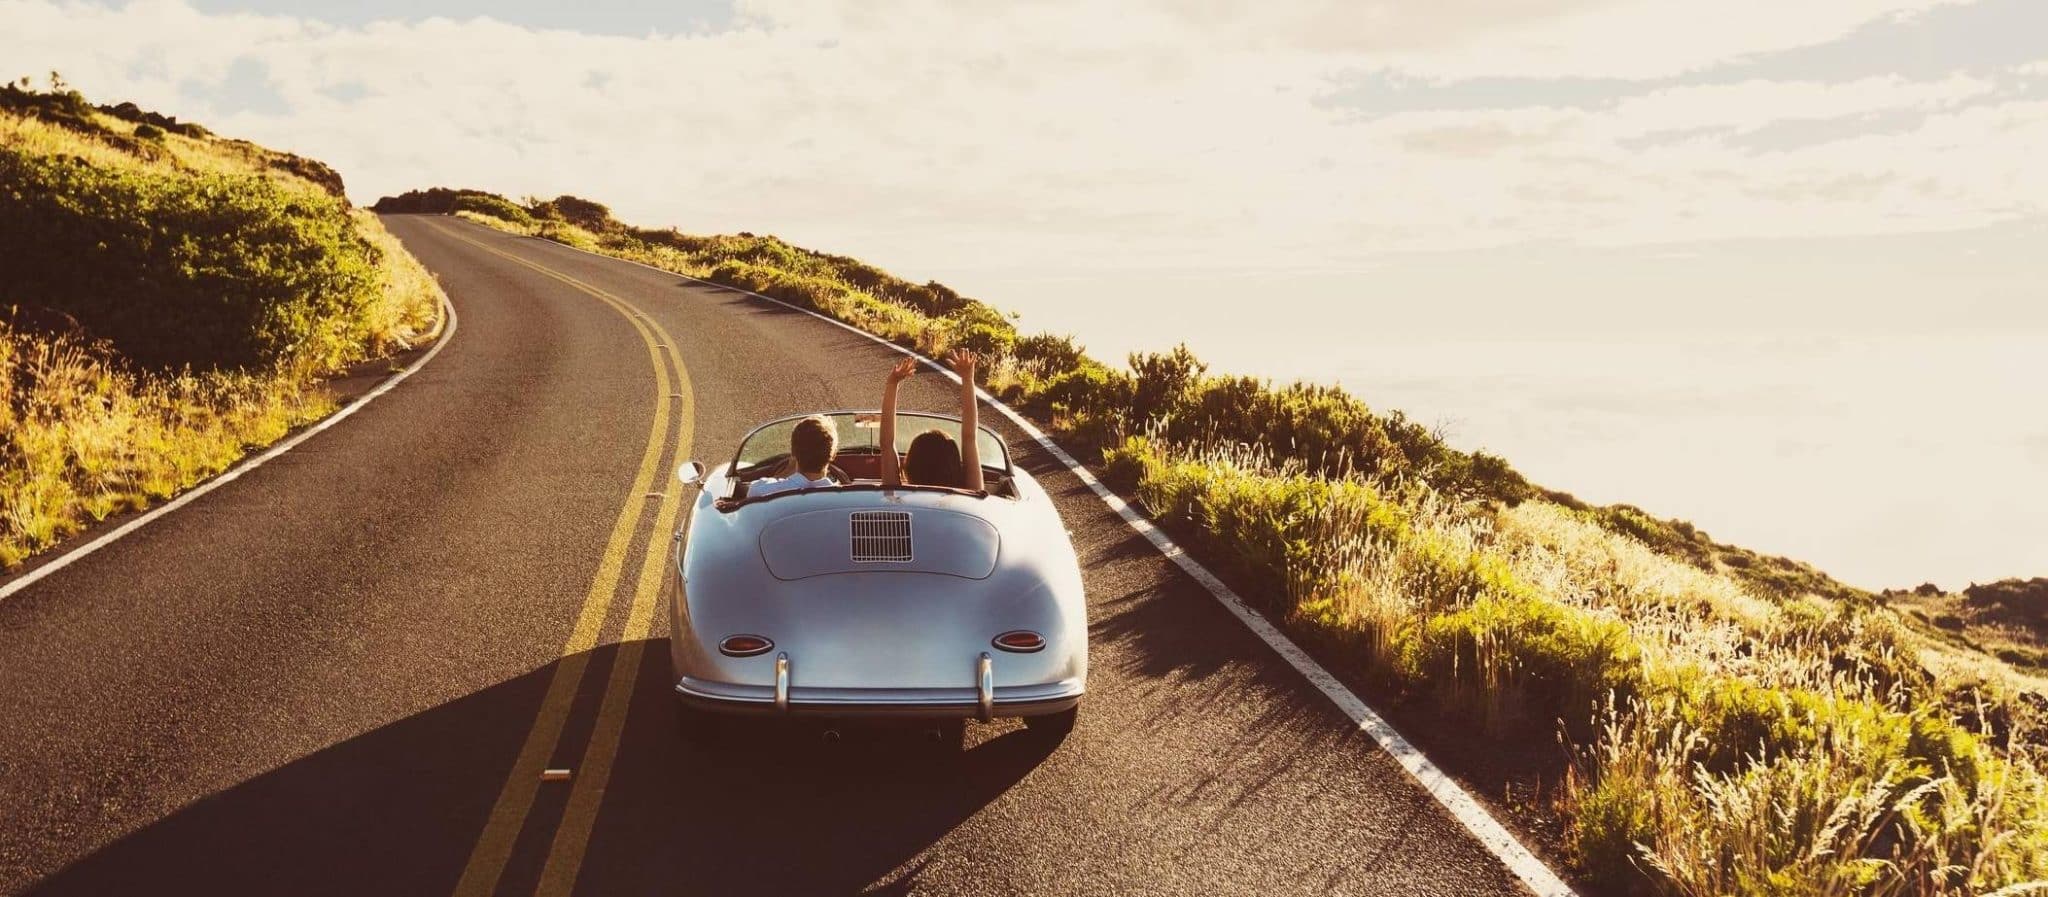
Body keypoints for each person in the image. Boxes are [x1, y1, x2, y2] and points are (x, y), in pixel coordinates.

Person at [880, 349, 985, 492]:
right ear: (954, 465)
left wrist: (892, 384)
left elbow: (887, 444)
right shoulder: (971, 495)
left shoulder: (895, 493)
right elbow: (969, 437)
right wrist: (968, 379)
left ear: (910, 465)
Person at [746, 414, 840, 498]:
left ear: (793, 452)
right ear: (834, 454)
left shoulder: (760, 491)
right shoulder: (843, 497)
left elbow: (755, 489)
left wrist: (785, 473)